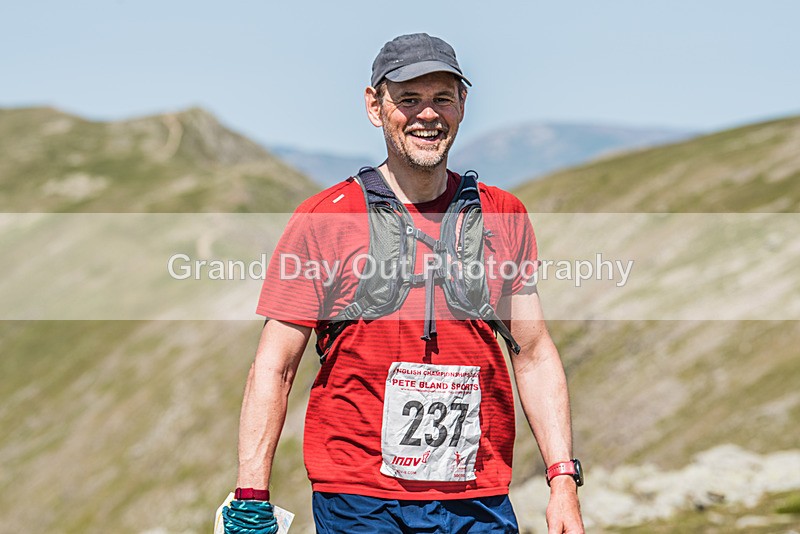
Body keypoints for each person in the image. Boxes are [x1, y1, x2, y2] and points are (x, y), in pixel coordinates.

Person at [224, 33, 584, 534]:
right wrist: (250, 499)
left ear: (462, 105)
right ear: (375, 106)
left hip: (477, 492)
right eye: (408, 99)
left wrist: (562, 480)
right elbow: (274, 366)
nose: (427, 115)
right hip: (358, 496)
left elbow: (534, 352)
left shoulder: (503, 214)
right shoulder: (323, 218)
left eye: (442, 98)